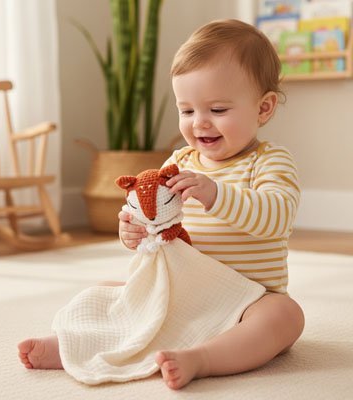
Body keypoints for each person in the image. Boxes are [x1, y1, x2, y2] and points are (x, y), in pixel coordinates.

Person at [18, 19, 304, 390]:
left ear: (263, 108)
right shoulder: (179, 162)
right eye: (187, 111)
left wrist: (216, 194)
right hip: (183, 293)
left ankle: (203, 358)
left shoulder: (270, 161)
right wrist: (134, 231)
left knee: (286, 316)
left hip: (248, 300)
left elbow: (276, 217)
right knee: (112, 292)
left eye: (218, 110)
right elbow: (155, 218)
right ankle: (70, 345)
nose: (200, 123)